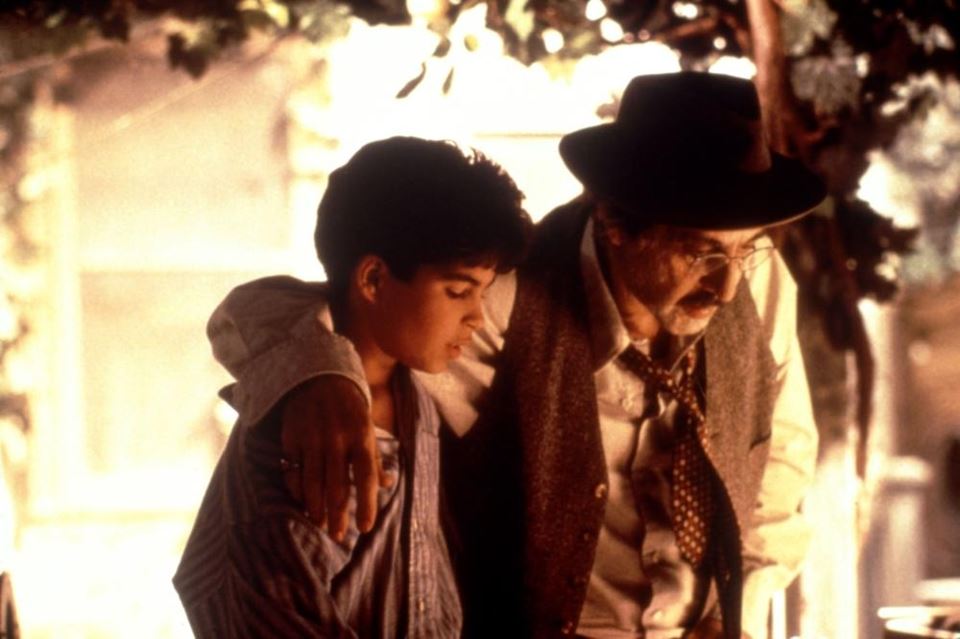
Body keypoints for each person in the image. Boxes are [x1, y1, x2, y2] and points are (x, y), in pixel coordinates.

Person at [206, 72, 826, 639]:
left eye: (744, 249)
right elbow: (323, 308)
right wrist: (321, 373)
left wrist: (736, 611)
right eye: (699, 252)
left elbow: (781, 462)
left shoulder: (758, 281)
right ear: (616, 223)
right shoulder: (500, 296)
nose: (726, 286)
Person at [172, 136, 532, 638]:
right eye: (458, 291)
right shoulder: (303, 439)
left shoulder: (418, 395)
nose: (477, 317)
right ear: (373, 279)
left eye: (483, 293)